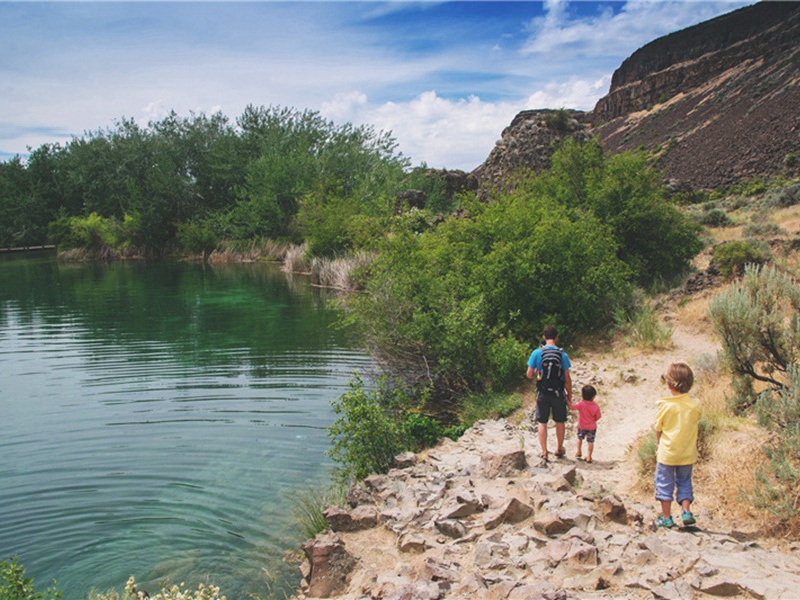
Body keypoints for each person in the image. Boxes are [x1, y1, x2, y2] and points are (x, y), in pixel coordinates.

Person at [654, 362, 702, 528]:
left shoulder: (665, 405)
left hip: (667, 453)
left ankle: (666, 517)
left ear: (669, 384)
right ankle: (686, 511)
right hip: (687, 452)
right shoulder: (695, 404)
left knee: (664, 483)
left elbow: (658, 428)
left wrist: (658, 444)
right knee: (685, 481)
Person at [526, 325, 572, 461]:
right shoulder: (562, 355)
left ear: (544, 337)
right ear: (557, 337)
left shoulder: (537, 353)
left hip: (543, 392)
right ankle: (559, 448)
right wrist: (569, 394)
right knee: (560, 421)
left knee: (542, 422)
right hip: (558, 392)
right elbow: (567, 378)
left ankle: (544, 451)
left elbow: (529, 374)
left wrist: (536, 372)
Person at [570, 384, 602, 463]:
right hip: (591, 427)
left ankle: (578, 451)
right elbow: (598, 416)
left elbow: (572, 407)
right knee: (590, 442)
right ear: (593, 396)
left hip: (581, 426)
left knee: (579, 438)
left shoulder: (581, 404)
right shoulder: (595, 406)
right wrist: (593, 420)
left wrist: (568, 401)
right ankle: (589, 456)